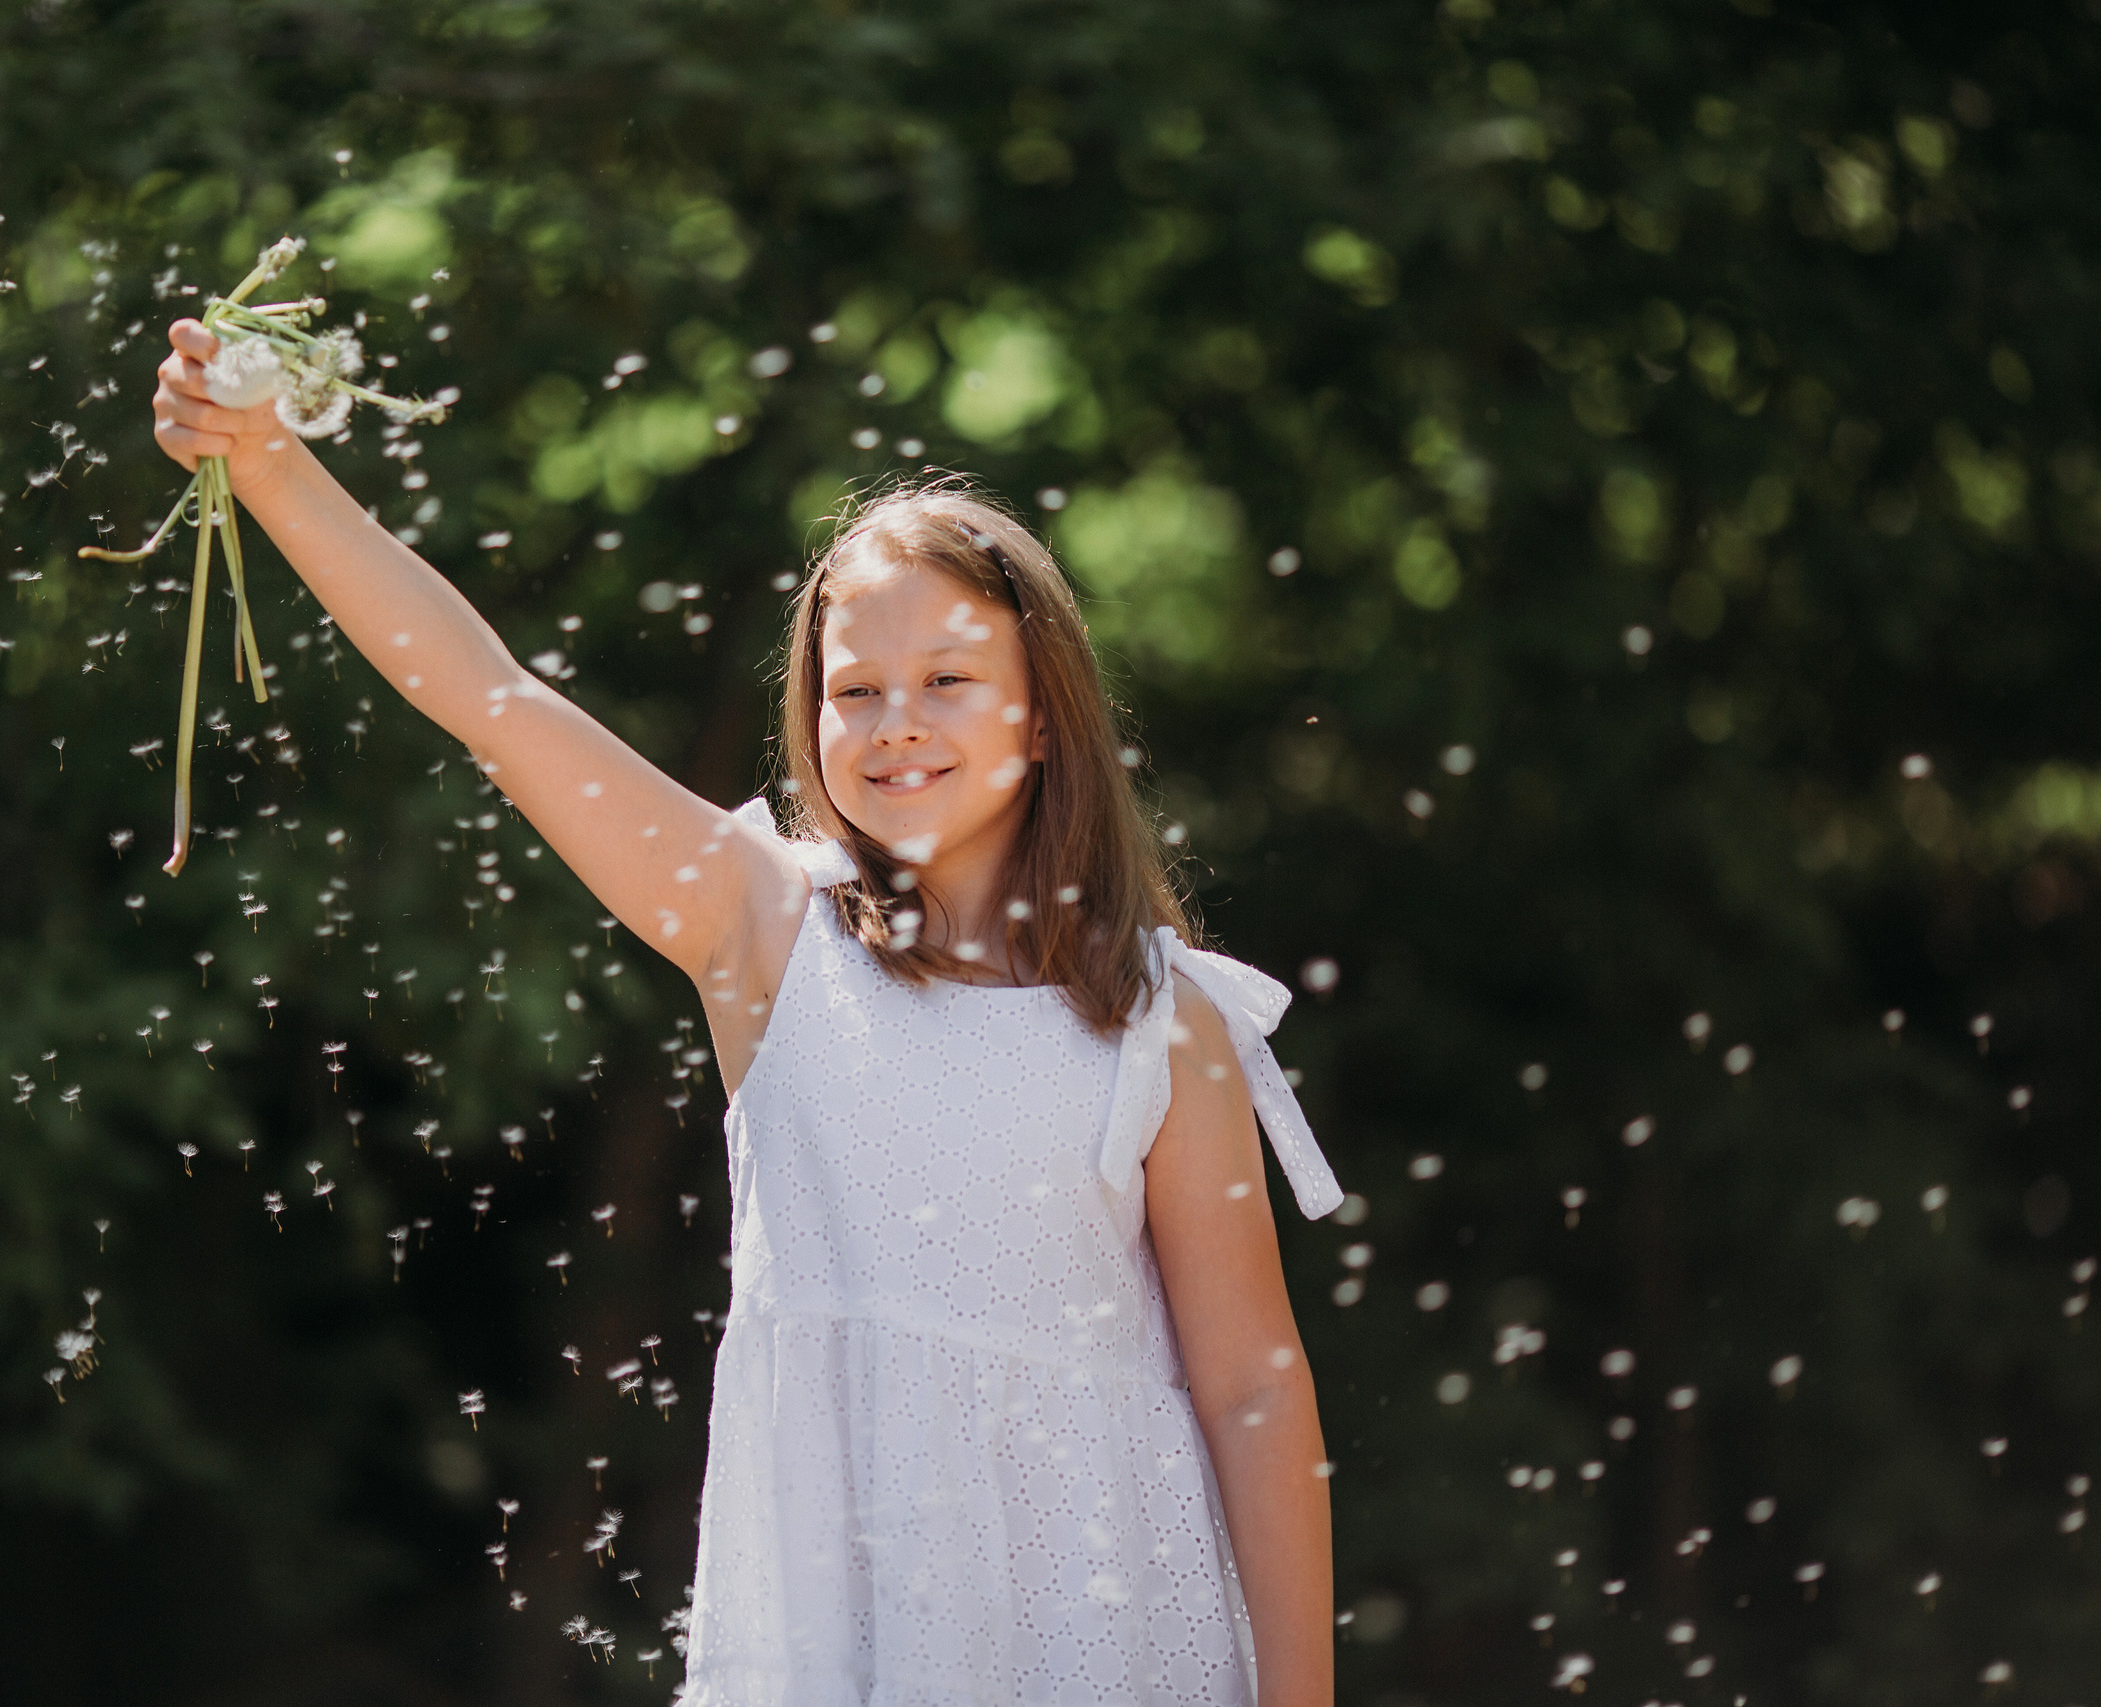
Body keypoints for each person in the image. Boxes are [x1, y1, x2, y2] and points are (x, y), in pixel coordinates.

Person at [150, 317, 1343, 1706]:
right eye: (855, 690)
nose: (897, 719)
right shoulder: (767, 928)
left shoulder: (1163, 1023)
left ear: (1040, 718)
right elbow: (494, 699)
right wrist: (273, 464)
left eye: (949, 681)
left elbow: (1253, 1389)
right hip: (835, 1624)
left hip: (1105, 1628)